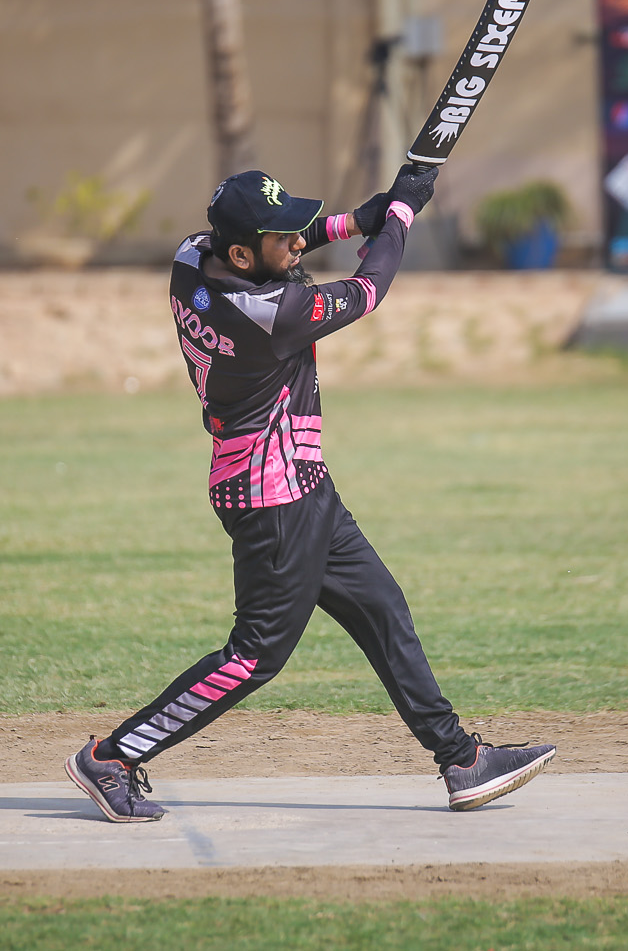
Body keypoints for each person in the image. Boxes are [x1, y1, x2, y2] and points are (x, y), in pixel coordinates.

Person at [64, 165, 556, 822]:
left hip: (298, 485)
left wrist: (354, 221)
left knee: (382, 608)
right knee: (253, 657)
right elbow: (368, 288)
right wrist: (401, 215)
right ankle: (114, 755)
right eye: (283, 237)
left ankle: (460, 759)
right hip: (274, 498)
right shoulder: (274, 314)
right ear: (244, 255)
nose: (298, 242)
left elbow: (289, 248)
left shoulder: (192, 259)